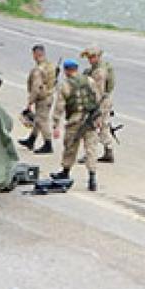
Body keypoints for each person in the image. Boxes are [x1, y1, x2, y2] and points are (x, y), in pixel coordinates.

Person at [52, 59, 102, 191]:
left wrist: (56, 124)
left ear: (67, 70)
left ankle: (65, 171)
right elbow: (97, 98)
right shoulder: (89, 80)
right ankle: (92, 177)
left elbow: (59, 106)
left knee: (70, 146)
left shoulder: (65, 85)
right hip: (91, 119)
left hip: (75, 120)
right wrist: (98, 117)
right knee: (91, 149)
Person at [20, 45, 57, 155]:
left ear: (36, 54)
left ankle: (48, 144)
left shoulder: (38, 70)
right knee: (38, 119)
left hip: (43, 98)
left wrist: (30, 101)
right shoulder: (50, 66)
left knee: (42, 121)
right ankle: (31, 140)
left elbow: (36, 87)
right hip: (48, 95)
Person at [83, 45, 116, 163]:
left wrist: (92, 107)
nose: (89, 59)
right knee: (103, 126)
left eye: (92, 57)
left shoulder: (99, 72)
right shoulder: (96, 68)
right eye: (88, 57)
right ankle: (109, 150)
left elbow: (98, 92)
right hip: (104, 101)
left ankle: (90, 154)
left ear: (98, 57)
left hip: (100, 102)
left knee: (91, 128)